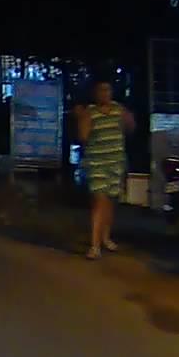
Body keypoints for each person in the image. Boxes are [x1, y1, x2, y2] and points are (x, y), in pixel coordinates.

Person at [74, 78, 136, 259]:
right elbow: (83, 137)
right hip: (97, 163)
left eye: (107, 89)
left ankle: (105, 238)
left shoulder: (118, 109)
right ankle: (94, 246)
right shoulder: (91, 112)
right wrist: (82, 119)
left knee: (109, 202)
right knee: (99, 201)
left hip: (116, 162)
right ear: (95, 93)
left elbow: (130, 128)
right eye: (101, 90)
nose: (105, 93)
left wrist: (129, 119)